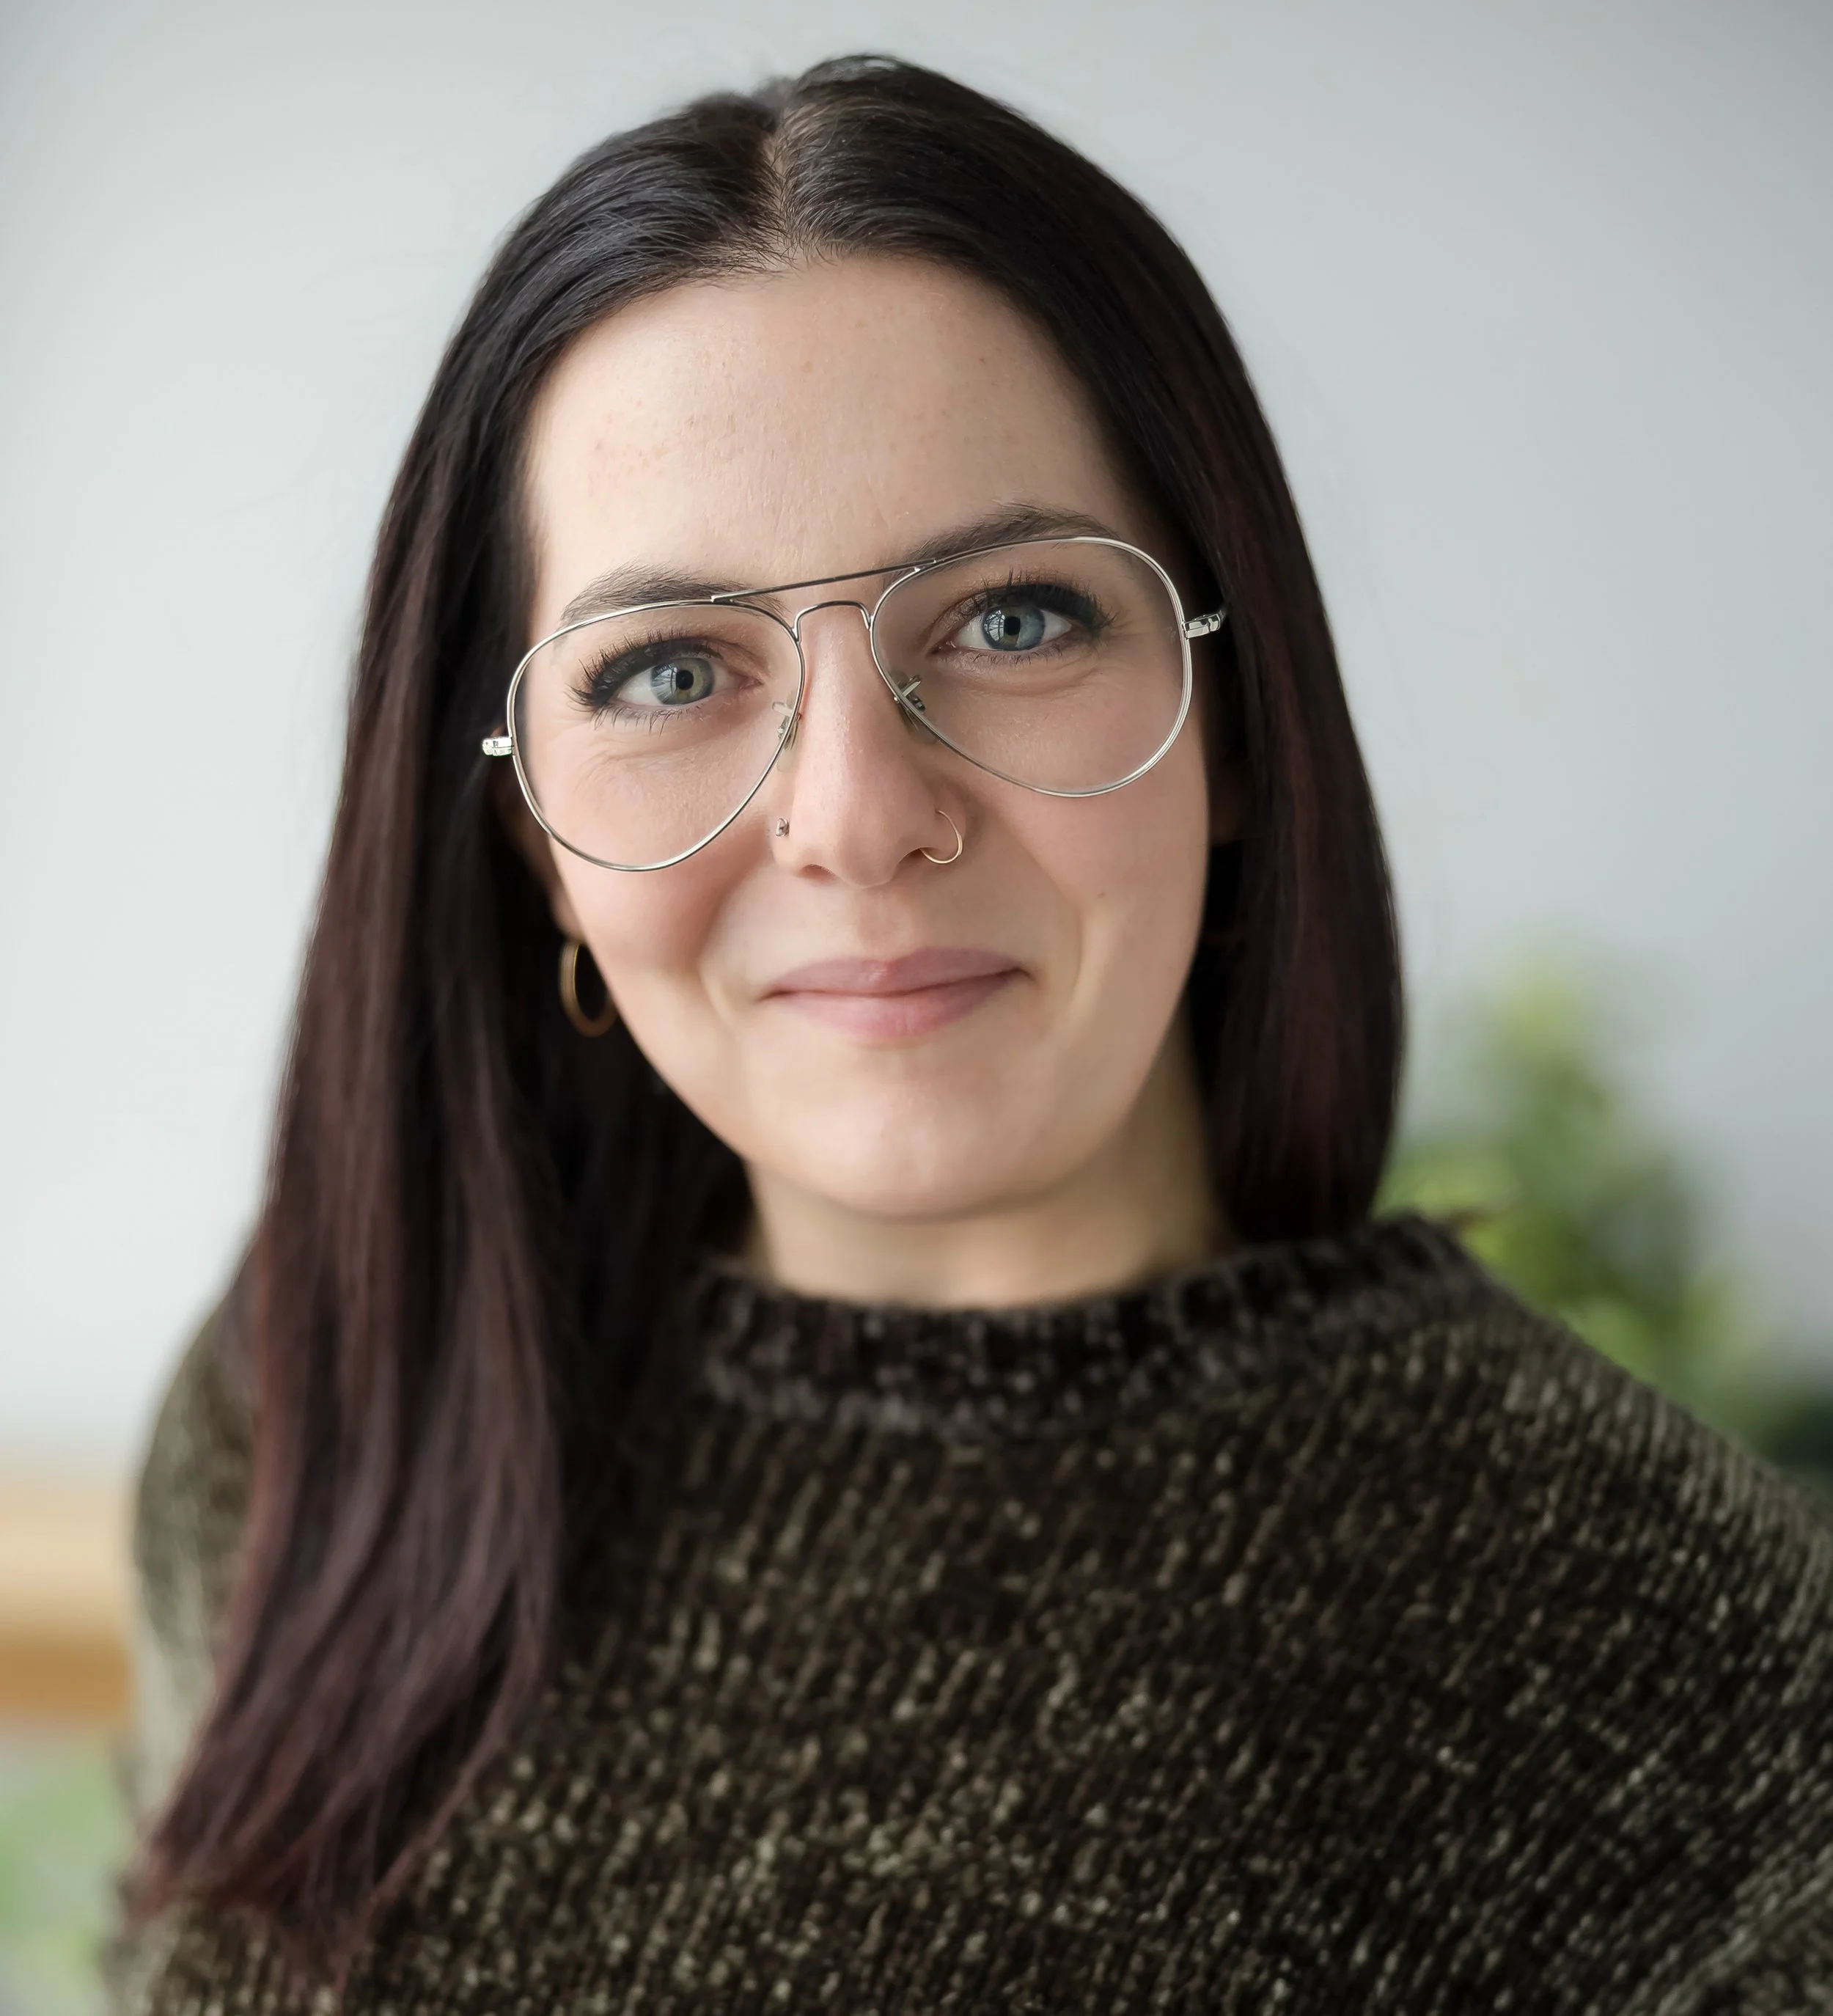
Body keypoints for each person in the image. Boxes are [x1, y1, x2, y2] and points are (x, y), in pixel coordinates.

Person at [114, 54, 1833, 2015]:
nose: (856, 812)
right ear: (530, 833)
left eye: (1011, 621)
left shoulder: (1682, 1670)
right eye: (667, 668)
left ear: (1238, 708)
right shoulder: (329, 1382)